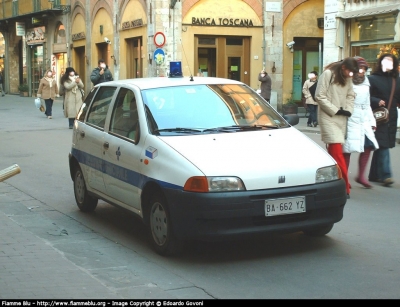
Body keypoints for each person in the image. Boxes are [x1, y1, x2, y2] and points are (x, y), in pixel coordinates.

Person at [314, 57, 358, 198]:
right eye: (350, 71)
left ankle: (332, 181)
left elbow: (351, 95)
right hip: (328, 116)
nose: (350, 75)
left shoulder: (348, 78)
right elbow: (319, 96)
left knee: (334, 155)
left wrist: (349, 110)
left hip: (341, 117)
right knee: (337, 153)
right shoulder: (328, 74)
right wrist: (335, 109)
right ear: (343, 67)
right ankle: (345, 187)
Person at [343, 57, 379, 189]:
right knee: (347, 149)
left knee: (368, 146)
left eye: (364, 69)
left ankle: (361, 175)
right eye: (360, 68)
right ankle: (345, 177)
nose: (362, 71)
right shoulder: (346, 80)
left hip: (363, 119)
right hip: (350, 118)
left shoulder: (366, 82)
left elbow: (367, 104)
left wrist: (371, 121)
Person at [368, 53, 400, 186]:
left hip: (391, 115)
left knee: (381, 144)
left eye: (390, 61)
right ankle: (386, 175)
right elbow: (364, 97)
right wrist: (376, 101)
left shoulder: (397, 79)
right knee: (383, 143)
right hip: (378, 115)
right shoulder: (372, 79)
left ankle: (374, 175)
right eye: (385, 60)